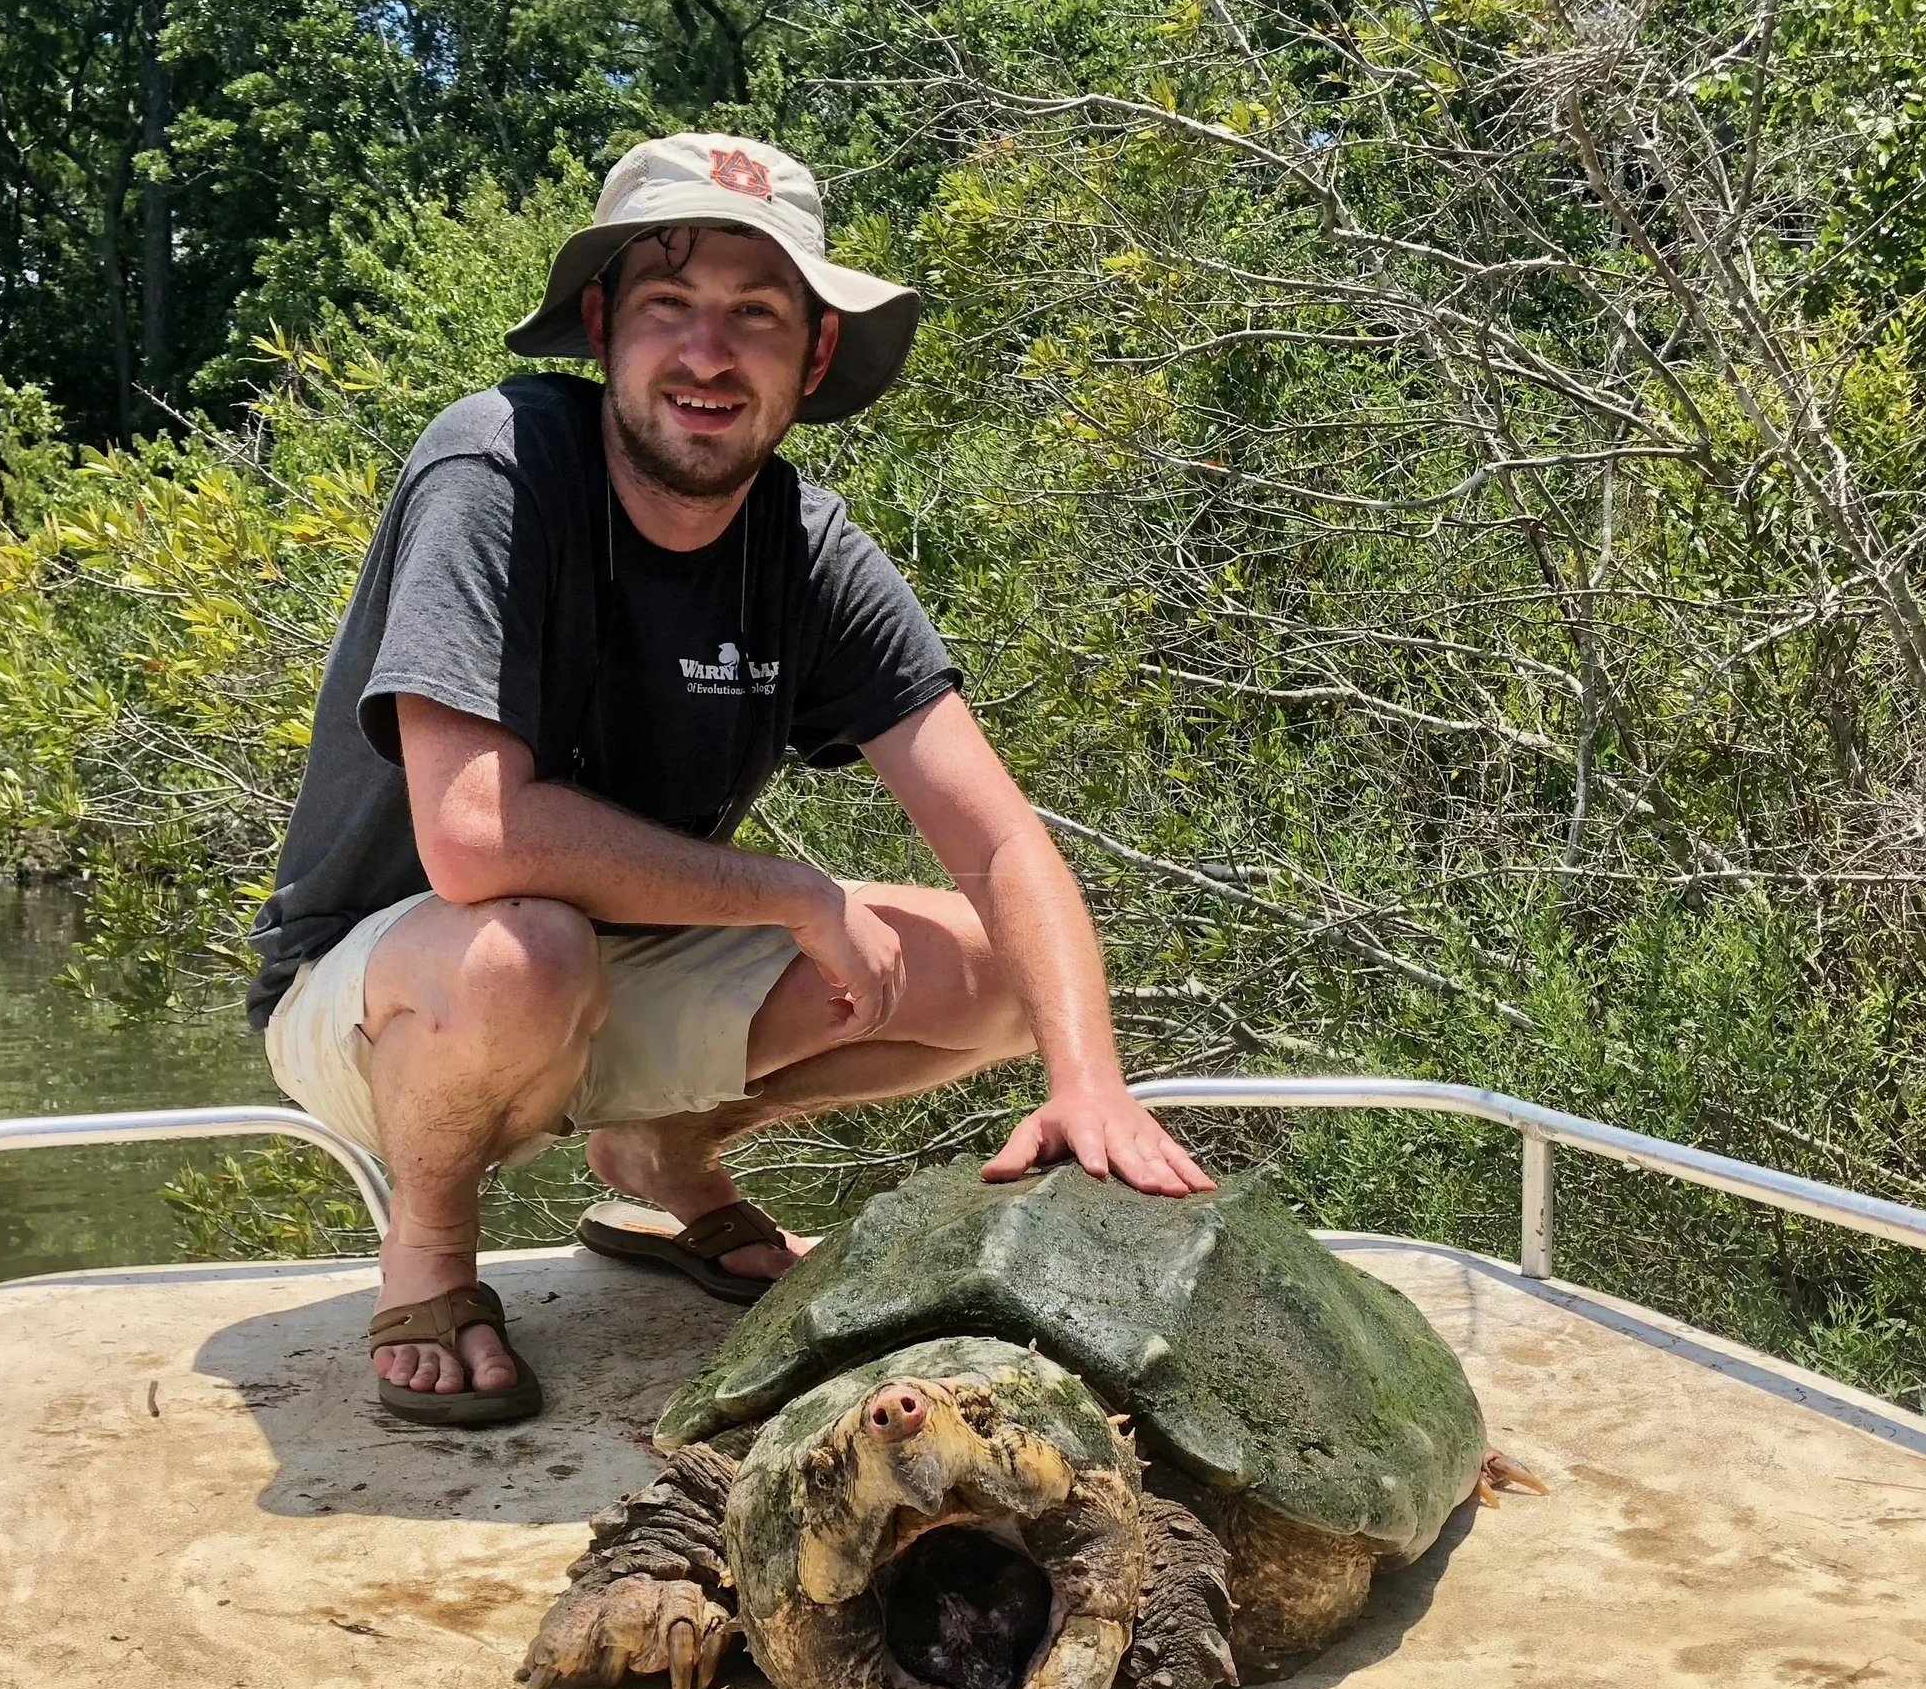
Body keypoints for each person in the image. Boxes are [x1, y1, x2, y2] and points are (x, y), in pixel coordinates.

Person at [248, 133, 1212, 1427]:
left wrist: (1087, 1080)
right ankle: (428, 1251)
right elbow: (473, 836)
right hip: (385, 992)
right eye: (670, 305)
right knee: (526, 952)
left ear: (814, 356)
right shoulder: (495, 465)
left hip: (601, 976)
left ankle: (662, 1152)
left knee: (996, 973)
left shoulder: (806, 552)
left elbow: (1002, 846)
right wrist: (790, 893)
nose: (708, 354)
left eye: (757, 315)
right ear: (602, 327)